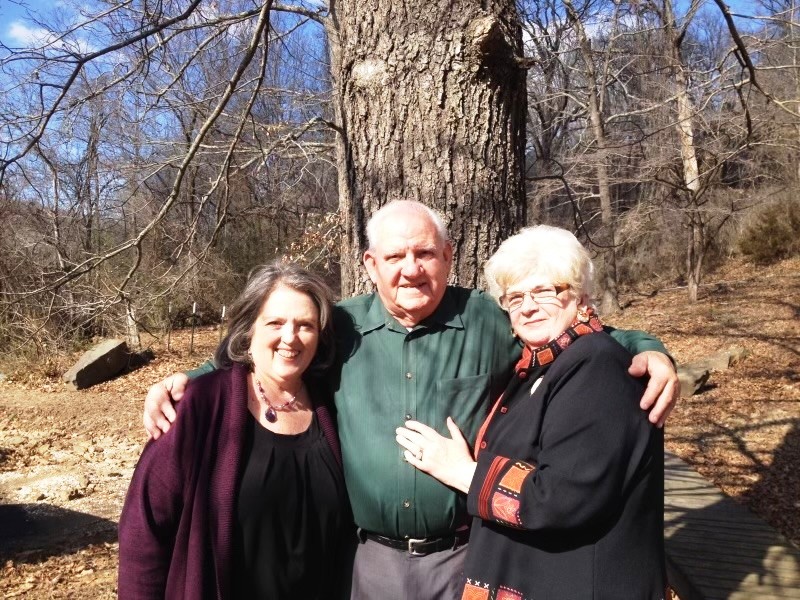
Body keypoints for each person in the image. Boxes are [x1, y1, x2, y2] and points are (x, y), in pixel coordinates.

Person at [142, 201, 678, 600]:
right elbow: (272, 351)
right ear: (370, 264)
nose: (411, 269)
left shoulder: (491, 318)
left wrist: (648, 349)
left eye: (424, 253)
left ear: (447, 257)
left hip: (463, 554)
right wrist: (185, 379)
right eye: (395, 256)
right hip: (367, 559)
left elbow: (571, 334)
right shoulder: (341, 327)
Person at [396, 225, 666, 598]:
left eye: (544, 291)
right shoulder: (541, 365)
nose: (527, 306)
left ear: (580, 295)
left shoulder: (597, 365)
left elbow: (560, 497)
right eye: (515, 296)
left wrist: (461, 471)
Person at [118, 263, 350, 599]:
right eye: (275, 323)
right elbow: (144, 529)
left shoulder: (331, 405)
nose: (290, 337)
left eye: (305, 325)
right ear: (249, 329)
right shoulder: (200, 406)